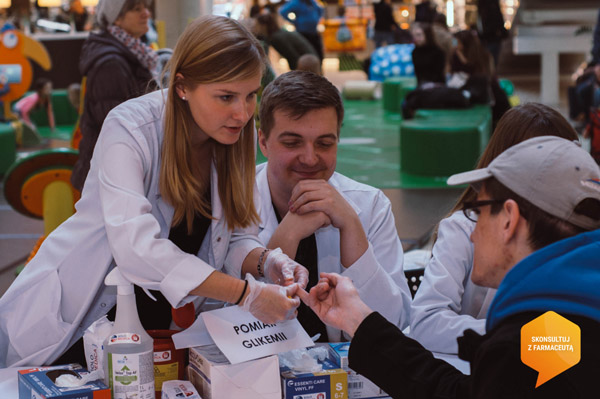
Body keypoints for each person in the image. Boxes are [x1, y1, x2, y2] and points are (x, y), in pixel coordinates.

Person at [0, 15, 309, 369]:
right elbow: (135, 248)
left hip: (163, 331)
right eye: (225, 97)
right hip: (85, 320)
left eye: (251, 95)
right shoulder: (129, 128)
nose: (241, 112)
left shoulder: (231, 140)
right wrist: (246, 294)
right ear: (182, 86)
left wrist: (267, 261)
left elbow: (235, 237)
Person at [299, 136, 600, 398]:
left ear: (509, 219)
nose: (472, 231)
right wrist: (361, 321)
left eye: (476, 210)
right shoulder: (565, 324)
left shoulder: (518, 344)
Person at [409, 103, 580, 354]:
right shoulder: (463, 229)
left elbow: (570, 341)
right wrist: (516, 338)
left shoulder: (574, 234)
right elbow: (426, 322)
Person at [256, 71, 412, 342]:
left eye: (324, 144)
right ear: (263, 142)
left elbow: (395, 324)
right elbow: (227, 325)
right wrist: (285, 239)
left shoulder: (369, 206)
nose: (309, 158)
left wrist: (352, 227)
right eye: (292, 143)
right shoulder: (228, 204)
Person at [70, 0, 159, 191]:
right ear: (116, 19)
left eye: (145, 8)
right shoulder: (111, 64)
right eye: (137, 10)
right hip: (111, 175)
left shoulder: (134, 52)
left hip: (118, 168)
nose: (146, 14)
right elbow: (115, 127)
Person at [411, 22, 446, 87]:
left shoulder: (438, 52)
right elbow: (418, 74)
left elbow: (438, 74)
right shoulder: (415, 52)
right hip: (421, 86)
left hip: (437, 86)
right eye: (414, 36)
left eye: (419, 35)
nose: (416, 38)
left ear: (427, 34)